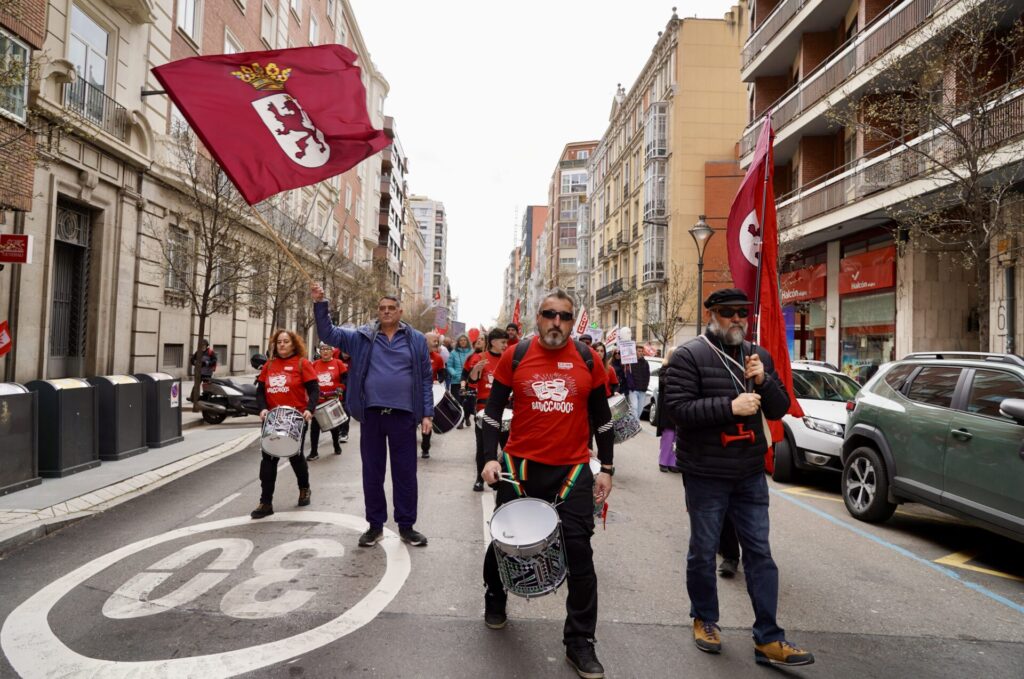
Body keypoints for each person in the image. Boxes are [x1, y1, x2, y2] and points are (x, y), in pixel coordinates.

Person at [662, 288, 813, 667]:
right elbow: (678, 411)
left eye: (742, 313)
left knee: (760, 554)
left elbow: (778, 409)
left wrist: (764, 382)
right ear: (711, 314)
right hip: (706, 472)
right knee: (703, 550)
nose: (737, 320)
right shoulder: (689, 355)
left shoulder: (757, 356)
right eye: (728, 312)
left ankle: (769, 638)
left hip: (748, 474)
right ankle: (705, 619)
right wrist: (730, 406)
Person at [479, 289, 615, 679]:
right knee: (504, 544)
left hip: (571, 472)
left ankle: (579, 643)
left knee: (580, 554)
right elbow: (491, 414)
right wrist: (489, 457)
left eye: (565, 316)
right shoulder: (516, 355)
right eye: (549, 314)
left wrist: (607, 468)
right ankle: (495, 595)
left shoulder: (589, 359)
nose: (556, 322)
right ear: (537, 318)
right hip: (519, 470)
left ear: (573, 322)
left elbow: (603, 419)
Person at [312, 284, 432, 548]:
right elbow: (328, 333)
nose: (386, 312)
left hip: (403, 416)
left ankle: (407, 526)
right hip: (372, 415)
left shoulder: (417, 340)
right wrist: (321, 304)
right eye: (382, 308)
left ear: (400, 311)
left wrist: (427, 413)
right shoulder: (361, 337)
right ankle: (375, 526)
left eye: (391, 308)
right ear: (377, 312)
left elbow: (425, 378)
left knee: (405, 474)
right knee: (372, 473)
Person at [251, 329, 318, 519]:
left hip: (295, 418)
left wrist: (309, 409)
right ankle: (265, 502)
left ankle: (304, 488)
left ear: (293, 344)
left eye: (286, 341)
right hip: (273, 418)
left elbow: (314, 390)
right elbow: (260, 391)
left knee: (295, 456)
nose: (281, 344)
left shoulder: (302, 363)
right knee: (268, 459)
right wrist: (262, 409)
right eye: (279, 342)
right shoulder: (269, 365)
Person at [464, 327, 508, 491]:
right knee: (483, 446)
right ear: (493, 342)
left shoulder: (507, 359)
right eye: (503, 342)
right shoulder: (481, 357)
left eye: (506, 342)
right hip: (484, 408)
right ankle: (479, 478)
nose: (505, 345)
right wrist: (475, 371)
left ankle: (503, 479)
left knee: (507, 447)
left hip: (505, 409)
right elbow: (472, 382)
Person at [306, 342, 347, 461]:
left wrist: (341, 387)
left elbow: (345, 378)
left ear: (332, 351)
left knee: (334, 426)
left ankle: (336, 444)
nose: (325, 351)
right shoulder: (314, 365)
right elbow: (310, 381)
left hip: (332, 400)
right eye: (323, 349)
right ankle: (314, 452)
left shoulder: (338, 363)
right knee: (315, 427)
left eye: (328, 349)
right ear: (320, 351)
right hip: (318, 401)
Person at [421, 332, 447, 459]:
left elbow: (443, 374)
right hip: (414, 393)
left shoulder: (438, 358)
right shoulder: (415, 356)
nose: (436, 343)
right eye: (434, 340)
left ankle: (425, 448)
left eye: (437, 341)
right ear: (424, 341)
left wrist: (439, 380)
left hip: (429, 392)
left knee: (427, 419)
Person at [654, 346, 678, 473]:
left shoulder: (682, 369)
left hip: (679, 407)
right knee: (668, 435)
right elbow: (666, 383)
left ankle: (673, 462)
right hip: (667, 407)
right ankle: (663, 461)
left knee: (677, 437)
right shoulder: (664, 369)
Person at [447, 335, 474, 429]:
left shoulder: (472, 353)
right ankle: (460, 421)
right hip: (456, 382)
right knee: (458, 402)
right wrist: (454, 373)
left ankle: (466, 417)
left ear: (467, 341)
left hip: (468, 382)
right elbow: (449, 366)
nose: (463, 342)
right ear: (458, 342)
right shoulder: (453, 353)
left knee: (467, 402)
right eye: (461, 340)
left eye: (464, 340)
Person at [616, 349, 650, 418]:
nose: (640, 352)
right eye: (639, 351)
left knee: (640, 409)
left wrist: (645, 386)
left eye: (641, 351)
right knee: (634, 407)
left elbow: (647, 375)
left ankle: (635, 423)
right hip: (633, 389)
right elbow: (626, 374)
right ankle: (636, 424)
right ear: (635, 352)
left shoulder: (645, 363)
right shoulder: (630, 363)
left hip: (642, 390)